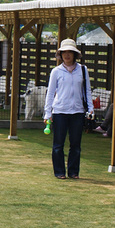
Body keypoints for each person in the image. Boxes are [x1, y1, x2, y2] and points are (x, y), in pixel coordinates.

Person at [43, 39, 95, 179]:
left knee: (76, 145)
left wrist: (90, 108)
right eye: (64, 52)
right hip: (59, 111)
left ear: (74, 54)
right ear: (60, 54)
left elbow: (87, 91)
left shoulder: (83, 70)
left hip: (77, 112)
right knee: (58, 145)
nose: (67, 55)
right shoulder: (56, 71)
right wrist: (47, 114)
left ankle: (73, 172)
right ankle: (59, 172)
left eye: (69, 52)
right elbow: (50, 93)